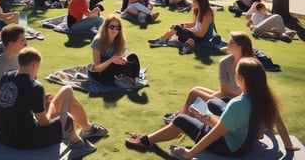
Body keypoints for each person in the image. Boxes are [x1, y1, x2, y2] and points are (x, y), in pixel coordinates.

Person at [125, 57, 300, 158]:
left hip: (229, 147)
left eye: (237, 74)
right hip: (244, 138)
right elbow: (281, 125)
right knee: (214, 103)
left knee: (180, 119)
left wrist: (189, 153)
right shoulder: (267, 98)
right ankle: (192, 121)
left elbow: (216, 134)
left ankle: (146, 140)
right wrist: (288, 146)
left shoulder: (239, 104)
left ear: (243, 79)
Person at [0, 47, 108, 150]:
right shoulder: (35, 86)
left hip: (1, 134)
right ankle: (76, 142)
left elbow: (14, 102)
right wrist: (50, 106)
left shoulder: (6, 77)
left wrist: (42, 104)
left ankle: (87, 129)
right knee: (66, 117)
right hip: (26, 141)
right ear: (34, 65)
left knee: (67, 90)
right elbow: (44, 123)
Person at [163, 31, 255, 124]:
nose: (228, 44)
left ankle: (183, 118)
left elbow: (226, 92)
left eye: (231, 42)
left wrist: (210, 98)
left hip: (242, 101)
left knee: (195, 93)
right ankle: (185, 116)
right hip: (232, 97)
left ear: (240, 47)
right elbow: (225, 92)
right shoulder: (225, 62)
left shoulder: (251, 64)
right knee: (197, 90)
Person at [148, 0, 215, 54]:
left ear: (201, 3)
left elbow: (201, 34)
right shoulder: (197, 10)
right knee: (177, 28)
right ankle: (162, 40)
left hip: (201, 38)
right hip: (194, 34)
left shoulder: (207, 15)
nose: (193, 3)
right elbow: (193, 24)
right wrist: (181, 25)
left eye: (194, 2)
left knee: (177, 29)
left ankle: (161, 41)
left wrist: (185, 29)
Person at [88, 15, 140, 86]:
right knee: (108, 83)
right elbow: (97, 68)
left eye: (118, 28)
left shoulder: (121, 40)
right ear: (106, 27)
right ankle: (123, 77)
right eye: (112, 27)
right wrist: (112, 60)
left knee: (132, 57)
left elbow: (122, 54)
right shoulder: (98, 41)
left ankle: (130, 77)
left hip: (115, 66)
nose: (114, 30)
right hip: (102, 71)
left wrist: (123, 59)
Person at [0, 23, 26, 106]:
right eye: (22, 40)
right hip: (3, 107)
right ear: (11, 44)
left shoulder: (23, 60)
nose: (24, 43)